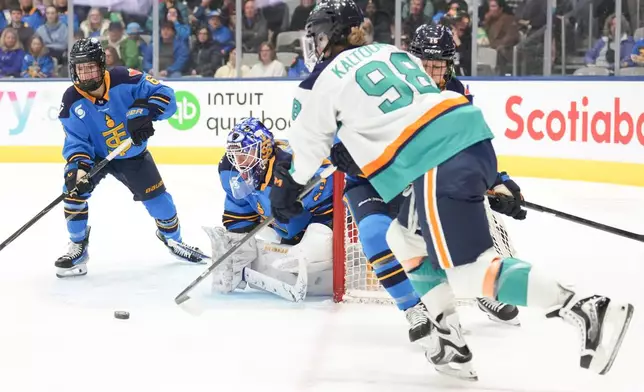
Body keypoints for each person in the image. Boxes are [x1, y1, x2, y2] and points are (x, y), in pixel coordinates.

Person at [269, 0, 633, 382]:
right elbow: (422, 108)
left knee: (469, 272)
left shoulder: (319, 83)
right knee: (403, 237)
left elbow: (307, 156)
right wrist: (494, 178)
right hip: (467, 143)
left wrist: (286, 191)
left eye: (316, 37)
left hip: (435, 164)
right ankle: (450, 341)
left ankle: (586, 307)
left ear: (326, 38)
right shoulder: (392, 53)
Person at [56, 38, 204, 278]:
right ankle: (78, 246)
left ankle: (173, 240)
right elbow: (76, 142)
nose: (85, 74)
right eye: (80, 68)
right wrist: (79, 169)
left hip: (132, 154)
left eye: (91, 66)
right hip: (95, 156)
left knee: (161, 204)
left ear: (102, 64)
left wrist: (145, 111)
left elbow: (166, 95)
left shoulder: (125, 78)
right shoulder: (71, 100)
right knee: (72, 189)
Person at [409, 23, 521, 326]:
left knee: (481, 214)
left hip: (441, 177)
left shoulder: (457, 92)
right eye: (425, 64)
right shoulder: (402, 90)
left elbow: (471, 141)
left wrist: (497, 180)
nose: (431, 72)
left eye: (438, 65)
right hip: (403, 178)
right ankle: (420, 298)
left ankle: (488, 285)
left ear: (449, 64)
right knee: (411, 230)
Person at [208, 117, 334, 301]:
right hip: (280, 224)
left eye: (245, 154)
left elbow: (329, 205)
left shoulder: (295, 168)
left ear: (264, 150)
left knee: (319, 241)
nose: (239, 162)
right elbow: (239, 207)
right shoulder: (230, 171)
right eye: (235, 154)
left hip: (314, 219)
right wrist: (238, 241)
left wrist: (316, 238)